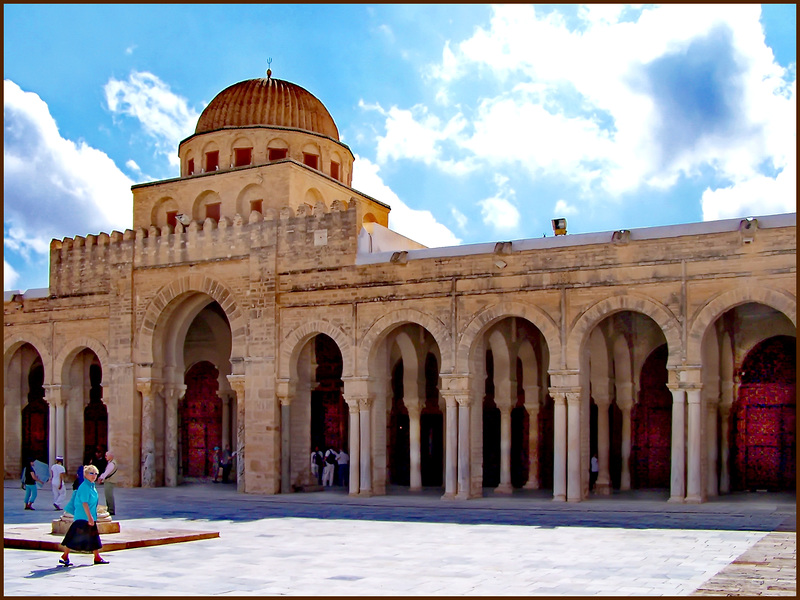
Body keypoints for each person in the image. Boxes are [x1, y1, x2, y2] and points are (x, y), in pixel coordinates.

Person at [59, 464, 108, 566]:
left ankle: (96, 557)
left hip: (89, 516)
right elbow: (84, 503)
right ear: (85, 475)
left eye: (96, 474)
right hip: (83, 517)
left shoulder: (91, 486)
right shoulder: (84, 487)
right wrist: (89, 517)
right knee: (74, 536)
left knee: (93, 537)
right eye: (91, 473)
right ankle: (65, 555)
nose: (94, 476)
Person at [97, 450, 118, 516]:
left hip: (109, 481)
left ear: (110, 456)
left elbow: (107, 472)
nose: (105, 457)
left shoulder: (112, 464)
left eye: (106, 455)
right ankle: (110, 508)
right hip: (110, 481)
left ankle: (111, 510)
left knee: (109, 495)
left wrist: (101, 478)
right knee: (108, 495)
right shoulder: (111, 462)